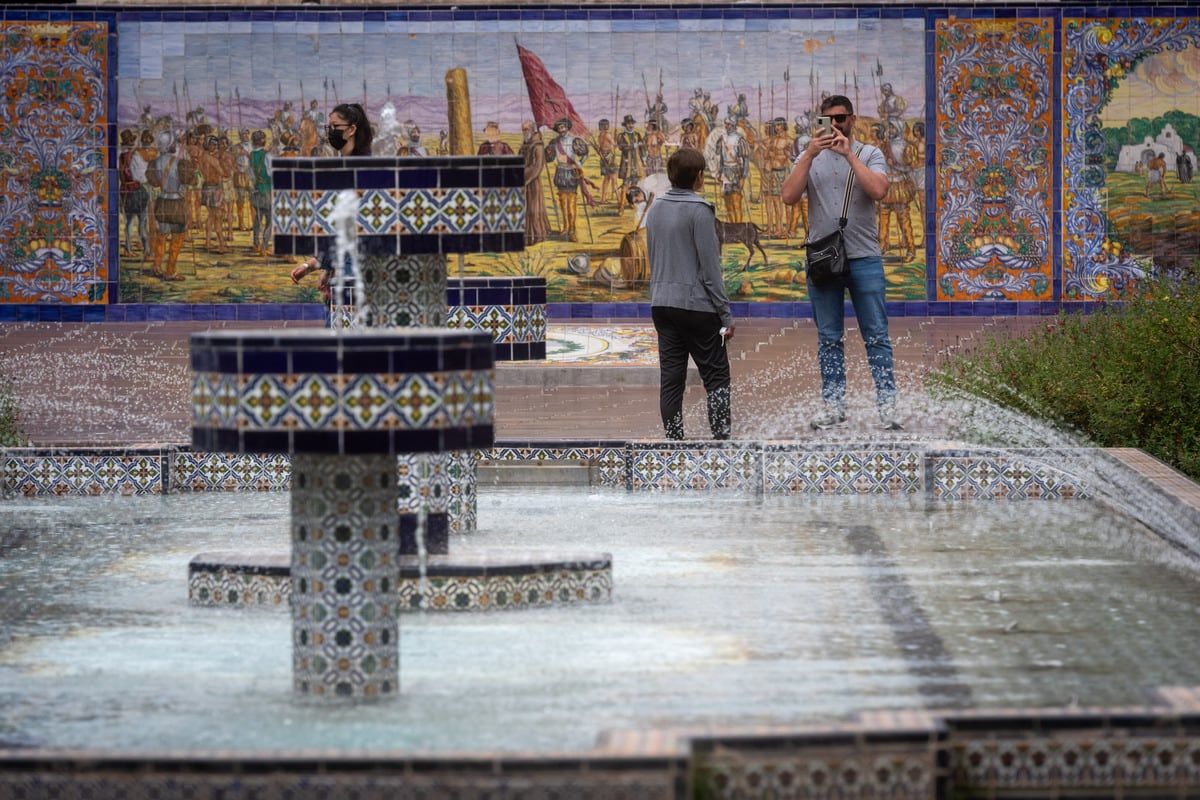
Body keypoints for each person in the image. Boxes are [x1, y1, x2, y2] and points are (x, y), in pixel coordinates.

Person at [781, 95, 900, 431]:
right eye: (827, 120)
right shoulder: (809, 156)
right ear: (819, 122)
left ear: (853, 119)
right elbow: (788, 196)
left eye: (841, 119)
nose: (834, 125)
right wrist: (809, 154)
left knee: (876, 335)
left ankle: (887, 407)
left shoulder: (869, 153)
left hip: (864, 257)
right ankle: (834, 406)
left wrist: (848, 154)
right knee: (829, 338)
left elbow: (879, 190)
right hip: (824, 258)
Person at [645, 148, 735, 440]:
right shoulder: (700, 211)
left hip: (662, 305)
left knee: (671, 380)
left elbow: (655, 256)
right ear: (698, 176)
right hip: (697, 307)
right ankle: (721, 443)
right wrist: (725, 314)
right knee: (717, 377)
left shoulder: (655, 209)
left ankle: (674, 442)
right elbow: (710, 271)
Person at [290, 104, 374, 323]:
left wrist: (322, 266)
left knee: (345, 332)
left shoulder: (360, 169)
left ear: (351, 129)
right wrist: (321, 266)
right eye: (329, 126)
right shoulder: (344, 166)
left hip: (356, 264)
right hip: (342, 262)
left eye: (335, 126)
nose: (330, 132)